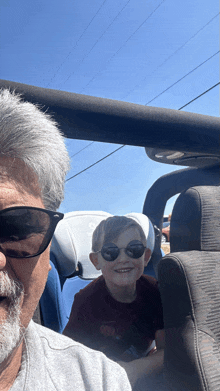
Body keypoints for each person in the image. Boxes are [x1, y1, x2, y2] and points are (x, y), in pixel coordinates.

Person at [0, 89, 132, 391]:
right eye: (111, 252)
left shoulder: (98, 379)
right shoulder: (87, 302)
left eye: (17, 228)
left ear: (48, 256)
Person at [63, 215, 164, 364]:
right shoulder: (86, 301)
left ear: (146, 256)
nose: (123, 259)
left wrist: (135, 370)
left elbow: (166, 351)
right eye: (111, 252)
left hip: (142, 365)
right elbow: (70, 357)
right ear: (96, 261)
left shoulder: (155, 291)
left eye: (134, 249)